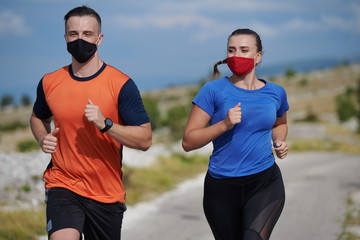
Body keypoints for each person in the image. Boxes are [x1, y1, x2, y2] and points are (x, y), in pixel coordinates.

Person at [30, 6, 152, 240]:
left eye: (87, 34)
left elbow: (145, 139)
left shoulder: (121, 84)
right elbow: (38, 117)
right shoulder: (49, 82)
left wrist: (106, 124)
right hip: (63, 183)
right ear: (65, 37)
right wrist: (41, 138)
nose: (79, 39)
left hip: (105, 192)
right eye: (73, 34)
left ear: (99, 38)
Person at [182, 28, 289, 240]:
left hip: (264, 182)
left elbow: (280, 123)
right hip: (221, 188)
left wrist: (279, 141)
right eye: (231, 50)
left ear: (258, 57)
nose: (236, 55)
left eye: (244, 49)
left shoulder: (275, 92)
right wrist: (224, 124)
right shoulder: (212, 90)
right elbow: (188, 141)